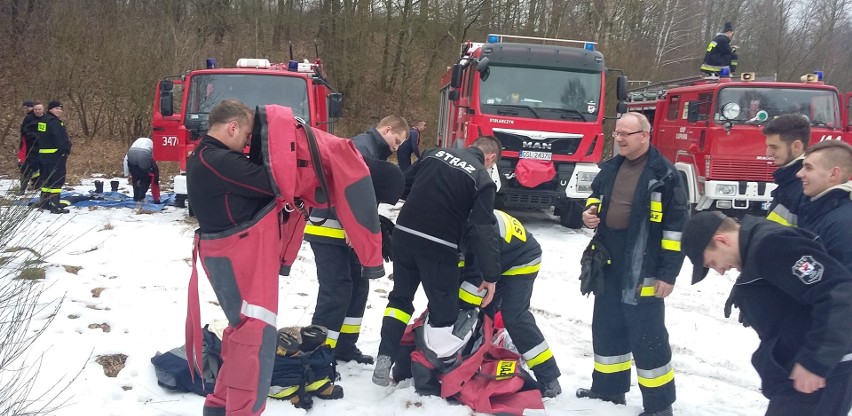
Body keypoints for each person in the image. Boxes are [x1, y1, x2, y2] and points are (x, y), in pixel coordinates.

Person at [682, 212, 852, 416]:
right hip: (801, 370)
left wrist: (816, 362)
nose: (719, 271)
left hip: (822, 372)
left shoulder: (773, 245)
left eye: (711, 263)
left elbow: (839, 293)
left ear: (722, 241)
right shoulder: (756, 249)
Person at [577, 112, 687, 416]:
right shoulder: (611, 167)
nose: (620, 139)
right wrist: (589, 212)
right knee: (607, 324)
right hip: (609, 257)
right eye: (617, 134)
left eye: (626, 134)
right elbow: (595, 195)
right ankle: (609, 390)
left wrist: (667, 274)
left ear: (645, 136)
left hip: (645, 264)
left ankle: (659, 405)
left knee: (647, 334)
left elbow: (676, 232)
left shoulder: (665, 175)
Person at [372, 135, 503, 387]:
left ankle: (385, 357)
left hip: (404, 236)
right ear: (491, 158)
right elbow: (483, 227)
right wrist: (491, 275)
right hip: (439, 248)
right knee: (444, 310)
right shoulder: (482, 178)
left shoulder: (433, 154)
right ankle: (433, 372)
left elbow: (402, 185)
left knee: (399, 299)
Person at [186, 99, 277, 416]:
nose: (247, 144)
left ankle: (222, 405)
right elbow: (273, 183)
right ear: (233, 127)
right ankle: (239, 410)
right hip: (235, 256)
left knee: (244, 335)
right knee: (255, 339)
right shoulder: (217, 160)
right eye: (248, 136)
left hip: (228, 254)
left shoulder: (205, 155)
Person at [303, 115, 407, 365]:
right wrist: (353, 226)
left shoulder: (373, 151)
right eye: (397, 140)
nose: (397, 147)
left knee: (358, 287)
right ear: (387, 129)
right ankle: (318, 352)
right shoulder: (360, 146)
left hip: (345, 231)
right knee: (336, 290)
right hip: (330, 228)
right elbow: (345, 186)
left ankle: (344, 347)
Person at [459, 209, 562, 398]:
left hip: (522, 258)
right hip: (498, 259)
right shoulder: (459, 222)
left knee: (514, 316)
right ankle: (471, 361)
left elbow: (473, 281)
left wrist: (457, 308)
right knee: (483, 313)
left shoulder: (475, 231)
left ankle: (548, 378)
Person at [796, 140, 852, 272]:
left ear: (833, 174)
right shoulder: (818, 209)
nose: (799, 174)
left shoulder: (844, 223)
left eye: (808, 168)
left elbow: (842, 285)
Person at [763, 114, 810, 227]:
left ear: (796, 146)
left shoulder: (804, 187)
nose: (768, 153)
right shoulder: (789, 181)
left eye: (774, 147)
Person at [37, 101, 71, 214]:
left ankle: (44, 202)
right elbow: (58, 138)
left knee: (46, 179)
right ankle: (55, 205)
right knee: (57, 179)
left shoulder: (43, 120)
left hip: (43, 155)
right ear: (50, 109)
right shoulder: (54, 122)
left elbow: (41, 137)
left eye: (60, 109)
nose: (59, 111)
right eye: (56, 108)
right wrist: (65, 150)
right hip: (55, 155)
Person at [123, 137, 161, 204]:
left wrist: (127, 174)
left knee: (135, 175)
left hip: (131, 153)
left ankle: (136, 197)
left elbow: (126, 158)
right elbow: (154, 159)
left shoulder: (136, 142)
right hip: (144, 154)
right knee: (146, 177)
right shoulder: (152, 144)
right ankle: (141, 197)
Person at [18, 100, 42, 195]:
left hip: (29, 146)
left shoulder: (31, 117)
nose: (26, 109)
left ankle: (24, 189)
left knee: (26, 167)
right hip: (30, 145)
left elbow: (26, 131)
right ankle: (35, 185)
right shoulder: (32, 117)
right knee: (32, 167)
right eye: (25, 108)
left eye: (27, 107)